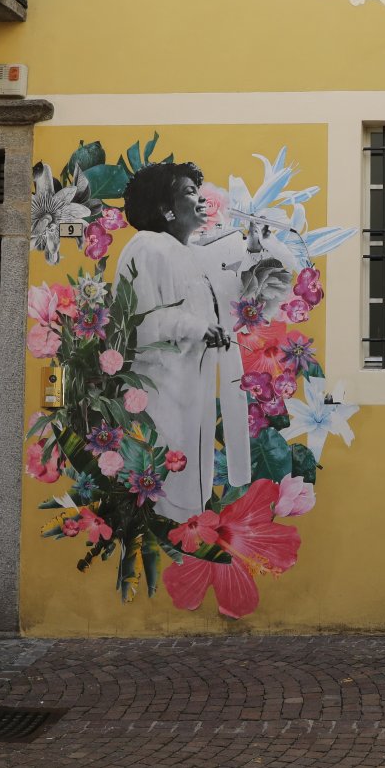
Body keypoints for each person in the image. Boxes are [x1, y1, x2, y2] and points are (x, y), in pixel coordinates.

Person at [113, 161, 251, 522]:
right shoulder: (147, 247)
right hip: (161, 389)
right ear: (166, 208)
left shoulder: (187, 253)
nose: (201, 200)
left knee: (189, 478)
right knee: (166, 478)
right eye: (190, 192)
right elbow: (142, 320)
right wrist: (197, 328)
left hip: (191, 388)